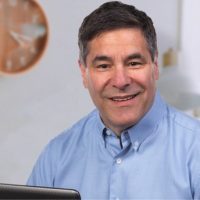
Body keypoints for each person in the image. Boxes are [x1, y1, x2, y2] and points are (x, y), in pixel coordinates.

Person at [27, 1, 200, 199]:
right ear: (84, 73)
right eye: (103, 66)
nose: (120, 81)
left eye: (134, 63)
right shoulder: (55, 157)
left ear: (155, 65)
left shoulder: (196, 149)